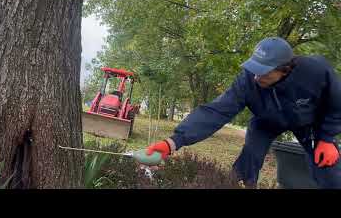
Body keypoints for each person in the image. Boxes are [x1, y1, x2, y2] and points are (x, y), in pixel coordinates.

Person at [146, 37, 341, 188]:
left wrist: (326, 138)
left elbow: (336, 103)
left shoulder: (315, 71)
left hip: (309, 125)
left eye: (263, 71)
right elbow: (215, 111)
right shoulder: (247, 81)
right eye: (254, 68)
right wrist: (172, 142)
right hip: (265, 122)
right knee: (248, 160)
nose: (256, 76)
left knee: (329, 170)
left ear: (284, 69)